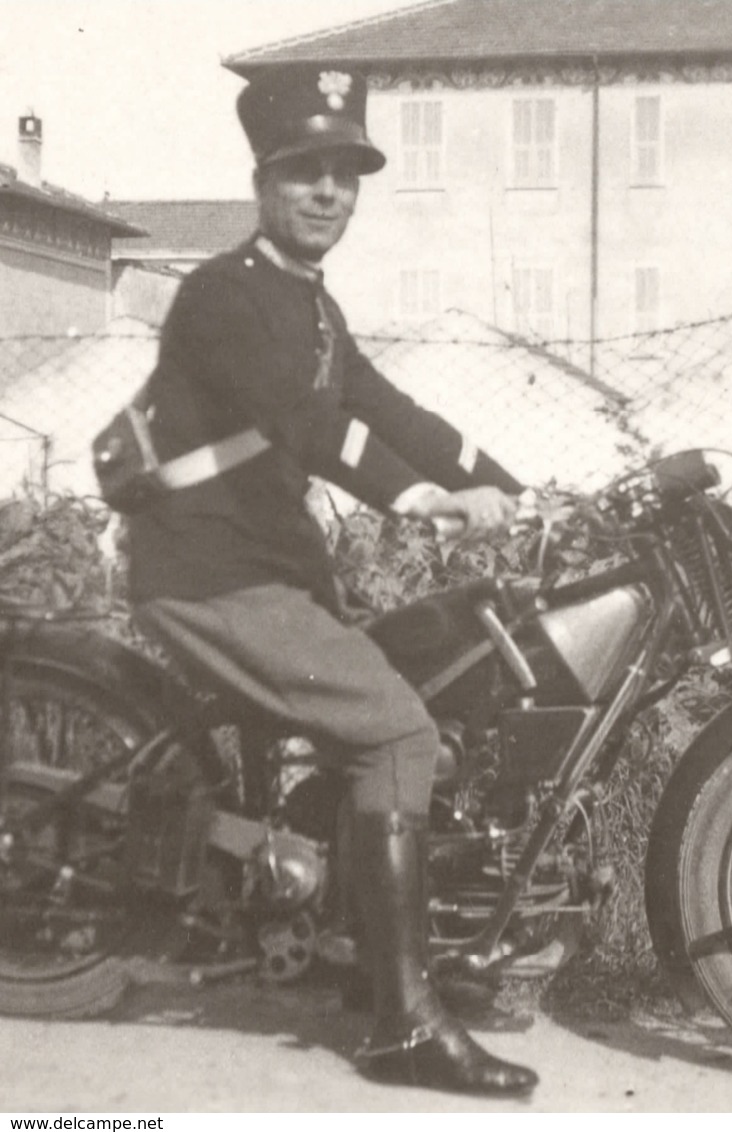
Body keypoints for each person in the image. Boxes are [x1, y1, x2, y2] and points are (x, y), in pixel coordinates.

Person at [126, 66, 538, 1096]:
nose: (327, 193)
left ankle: (365, 957)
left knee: (414, 685)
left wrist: (501, 478)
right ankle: (401, 1026)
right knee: (399, 730)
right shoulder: (222, 294)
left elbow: (387, 409)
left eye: (344, 175)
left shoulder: (314, 306)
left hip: (269, 573)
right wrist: (426, 504)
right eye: (304, 171)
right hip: (210, 572)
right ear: (263, 180)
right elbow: (313, 427)